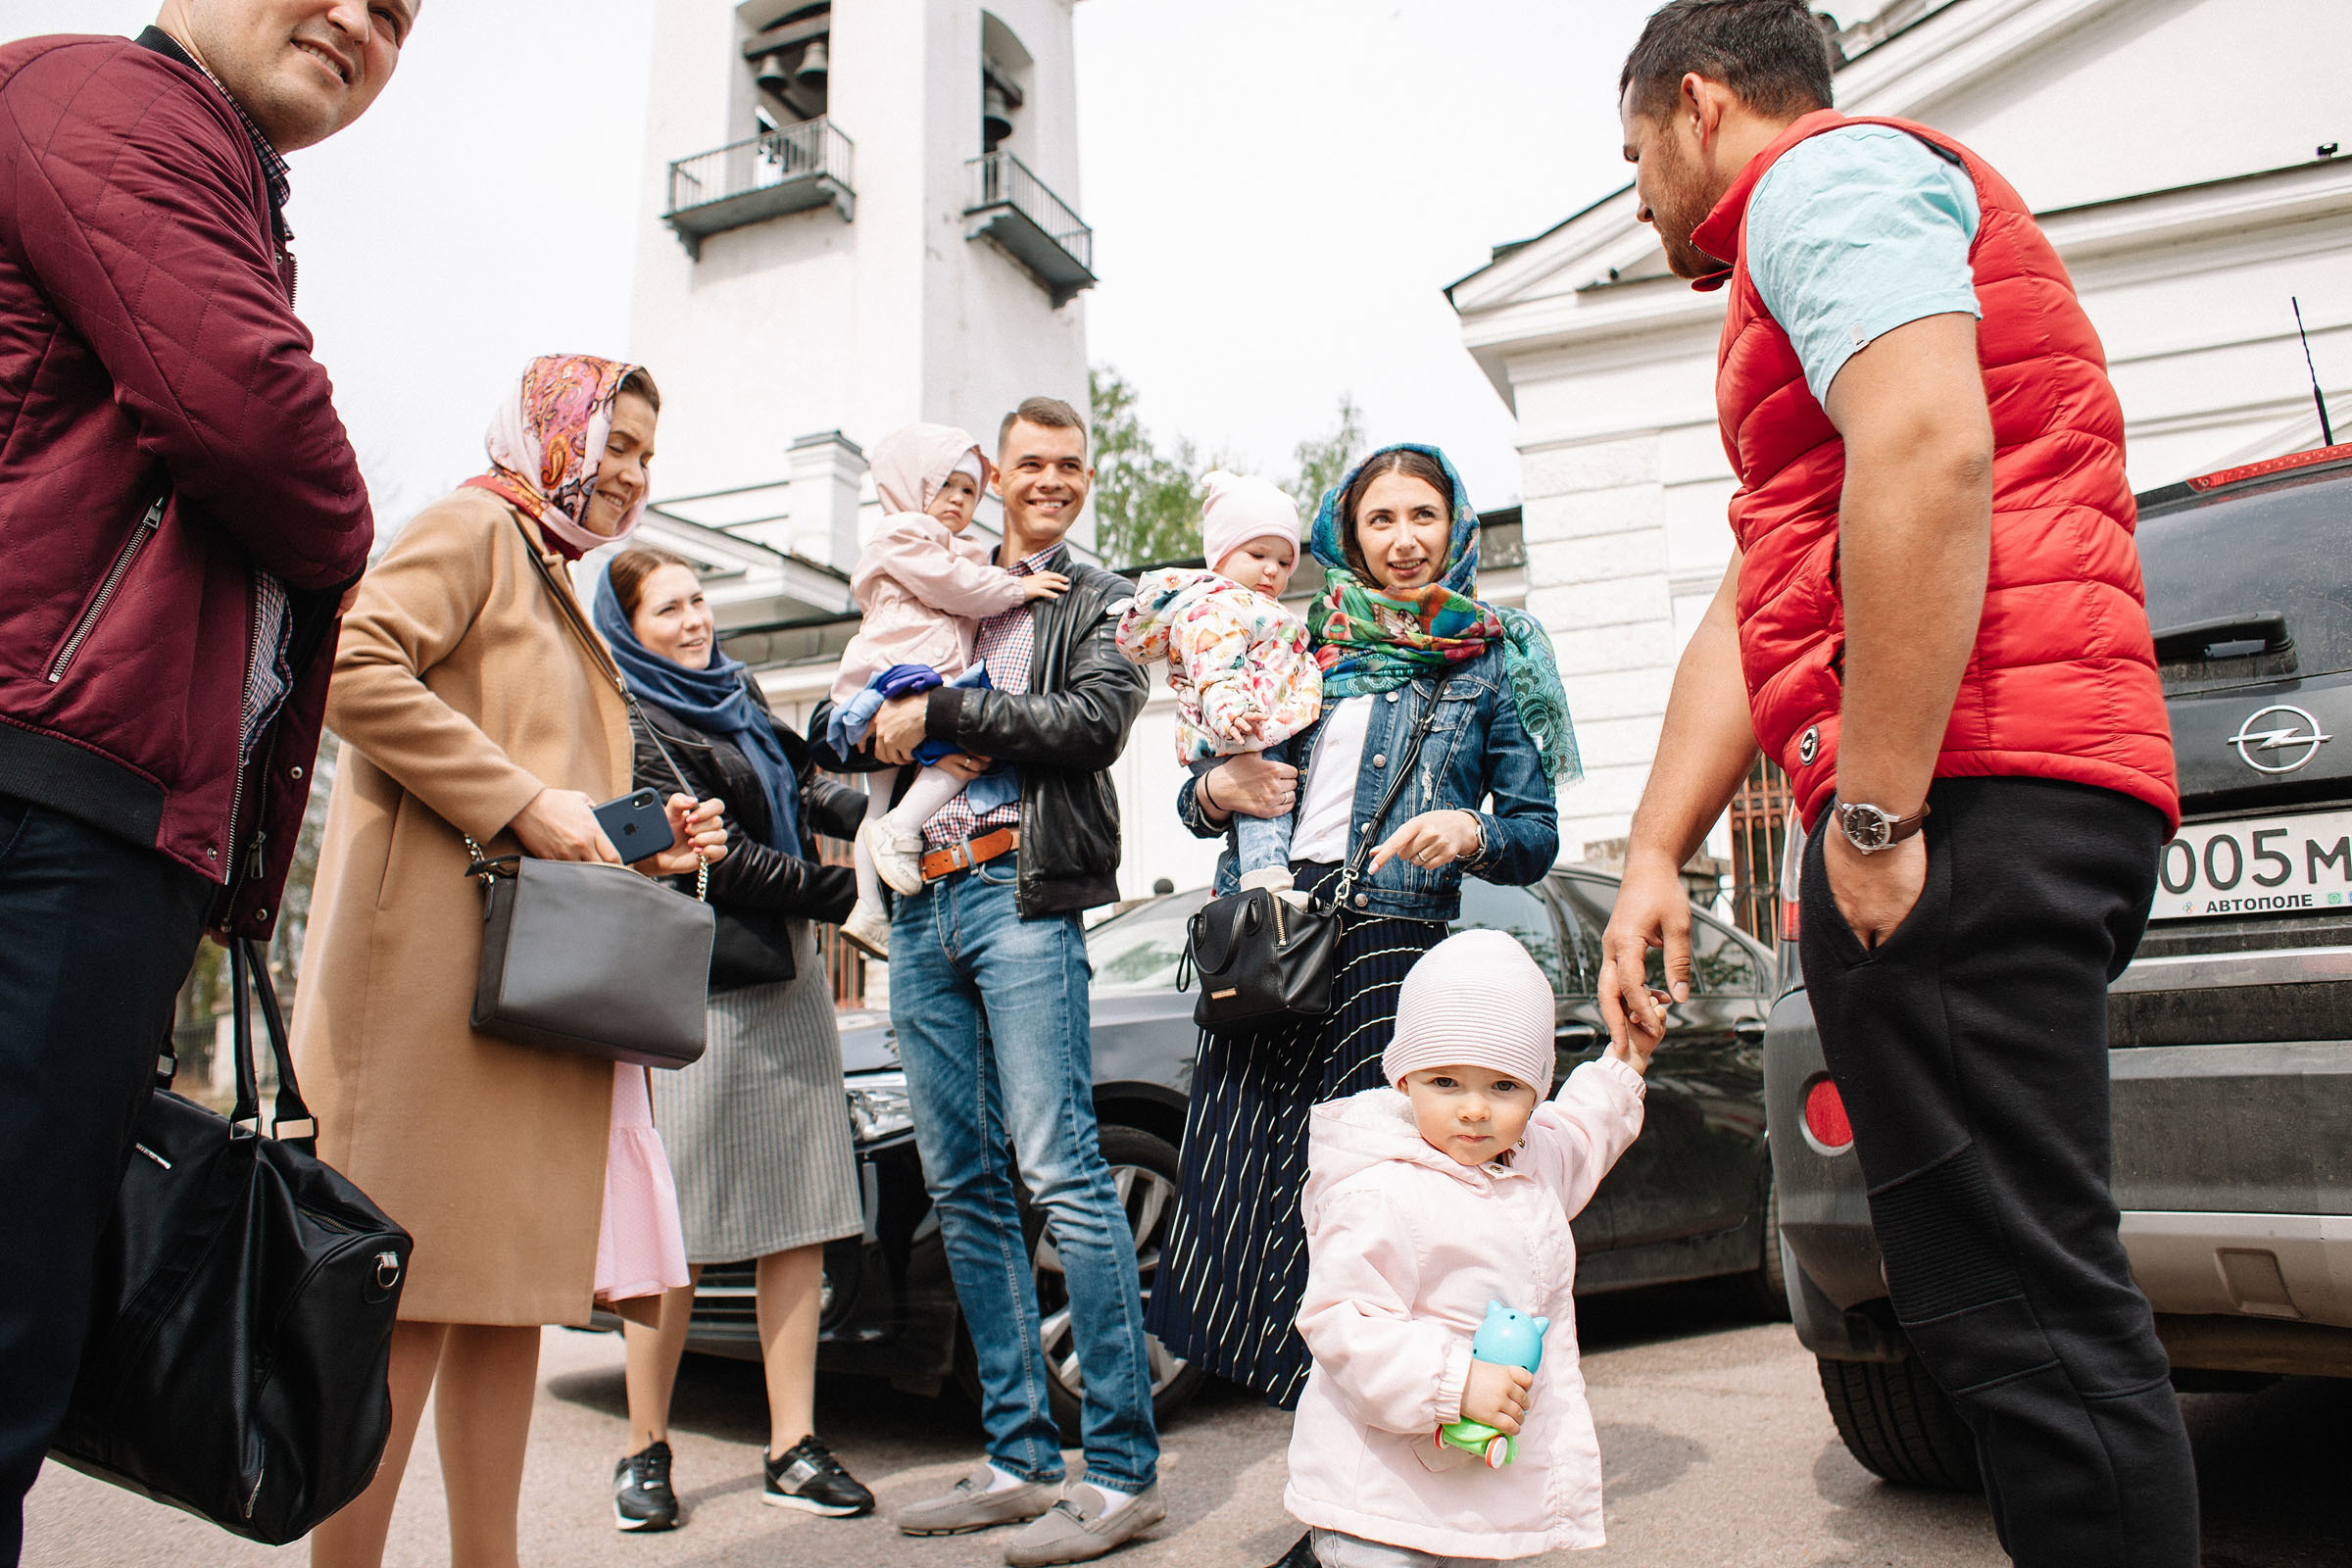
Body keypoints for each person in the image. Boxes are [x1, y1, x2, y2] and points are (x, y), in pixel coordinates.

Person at [1598, 5, 2191, 1565]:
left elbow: (1929, 453)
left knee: (2031, 1321)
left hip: (1971, 792)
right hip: (1990, 783)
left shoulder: (1824, 186)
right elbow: (1764, 587)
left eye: (1634, 153)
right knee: (2004, 1308)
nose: (1643, 195)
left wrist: (1874, 811)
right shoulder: (1823, 249)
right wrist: (1658, 847)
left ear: (1699, 105)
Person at [0, 5, 416, 1560]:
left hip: (96, 807)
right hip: (49, 793)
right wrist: (334, 516)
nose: (363, 20)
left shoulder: (218, 168)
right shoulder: (112, 97)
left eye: (398, 14)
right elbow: (259, 417)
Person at [291, 357, 726, 1568]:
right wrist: (527, 799)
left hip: (519, 1002)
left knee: (502, 1306)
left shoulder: (554, 575)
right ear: (556, 430)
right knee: (407, 1308)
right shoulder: (475, 526)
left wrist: (649, 839)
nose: (632, 473)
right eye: (616, 442)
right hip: (432, 1000)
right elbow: (351, 663)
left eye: (647, 455)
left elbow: (559, 806)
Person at [1149, 444, 1572, 1568]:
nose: (1401, 537)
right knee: (1249, 1212)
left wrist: (1472, 828)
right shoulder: (1298, 639)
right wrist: (1209, 789)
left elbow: (1536, 830)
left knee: (1375, 1228)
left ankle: (1376, 1517)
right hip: (1274, 946)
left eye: (1422, 515)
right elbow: (1210, 779)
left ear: (1453, 526)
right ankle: (1350, 1493)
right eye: (1379, 516)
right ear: (1349, 528)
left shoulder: (1490, 656)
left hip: (1393, 953)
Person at [815, 396, 1159, 1567]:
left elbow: (1091, 722)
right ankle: (1018, 1457)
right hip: (922, 901)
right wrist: (850, 721)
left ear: (1086, 478)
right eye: (1031, 463)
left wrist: (937, 713)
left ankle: (1118, 1469)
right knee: (961, 1178)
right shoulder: (940, 566)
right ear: (997, 475)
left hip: (1022, 893)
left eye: (1070, 464)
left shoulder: (1102, 598)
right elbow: (840, 715)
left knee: (1062, 1167)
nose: (1050, 480)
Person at [592, 547, 880, 1529]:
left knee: (797, 1212)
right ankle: (643, 1447)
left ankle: (792, 1446)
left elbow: (797, 787)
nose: (693, 620)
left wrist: (875, 810)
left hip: (790, 980)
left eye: (699, 599)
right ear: (630, 624)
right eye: (668, 607)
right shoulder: (632, 714)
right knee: (679, 1230)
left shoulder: (737, 689)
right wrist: (847, 890)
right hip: (701, 986)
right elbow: (720, 861)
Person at [1287, 930, 1657, 1567]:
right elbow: (1344, 1323)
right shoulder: (1381, 1189)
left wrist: (1628, 1066)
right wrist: (1455, 1382)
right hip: (1381, 1507)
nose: (1475, 1111)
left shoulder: (1527, 1160)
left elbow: (1578, 1134)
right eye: (1447, 1082)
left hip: (1468, 1502)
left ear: (1536, 1091)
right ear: (1405, 1079)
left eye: (1504, 1087)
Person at [828, 423, 1068, 957]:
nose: (960, 500)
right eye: (947, 487)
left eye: (969, 490)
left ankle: (868, 907)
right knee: (962, 748)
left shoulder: (943, 543)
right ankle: (904, 828)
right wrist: (1016, 586)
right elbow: (952, 586)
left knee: (879, 798)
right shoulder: (905, 533)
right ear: (913, 486)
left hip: (896, 672)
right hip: (903, 672)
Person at [1114, 470, 1321, 896]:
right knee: (1268, 800)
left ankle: (1264, 876)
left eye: (1284, 562)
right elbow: (1215, 663)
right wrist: (1231, 710)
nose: (1272, 570)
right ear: (1221, 555)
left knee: (1268, 796)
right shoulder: (1215, 606)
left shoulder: (1253, 607)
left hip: (1243, 724)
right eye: (1258, 554)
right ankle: (1266, 882)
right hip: (1236, 727)